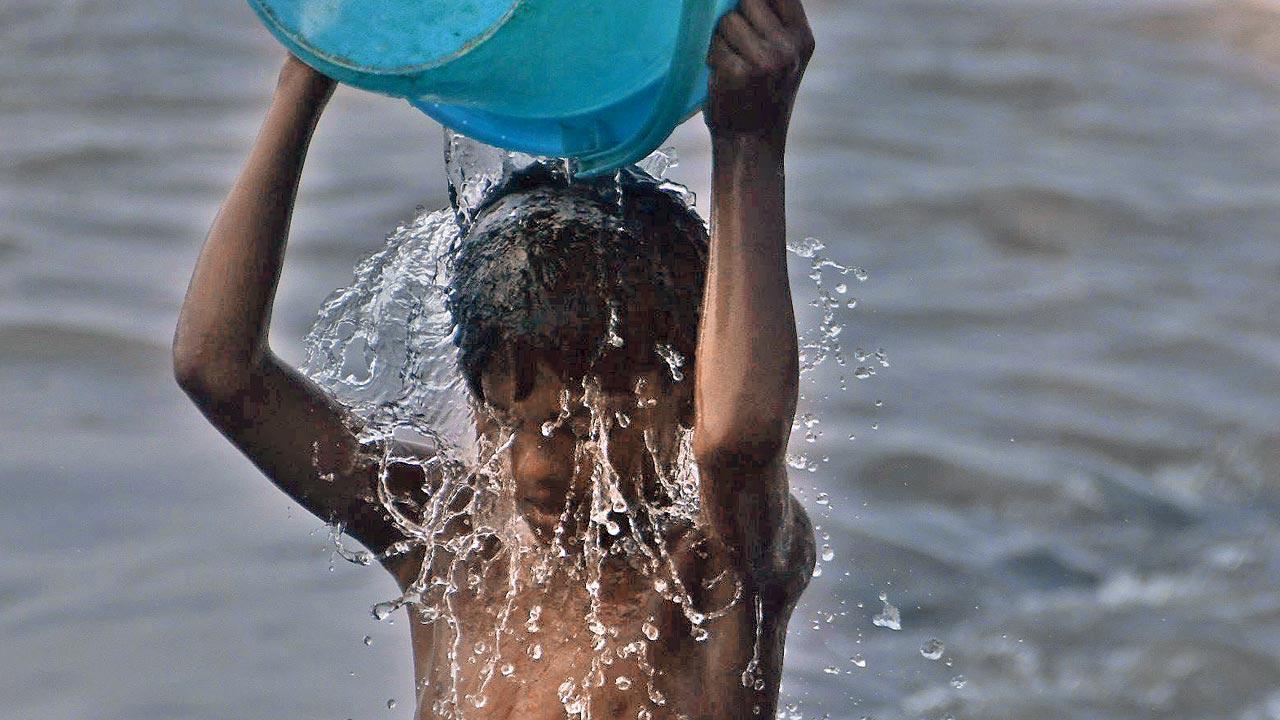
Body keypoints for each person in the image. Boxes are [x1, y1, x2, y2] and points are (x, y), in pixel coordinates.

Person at [172, 0, 816, 716]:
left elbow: (737, 444)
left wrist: (749, 142)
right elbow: (219, 369)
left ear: (684, 393)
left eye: (581, 429)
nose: (532, 467)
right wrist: (308, 76)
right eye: (506, 420)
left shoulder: (719, 575)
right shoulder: (454, 543)